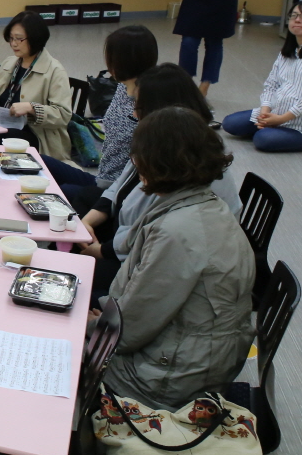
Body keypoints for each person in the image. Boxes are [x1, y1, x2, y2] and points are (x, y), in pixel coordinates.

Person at [92, 105, 255, 411]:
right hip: (192, 356)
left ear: (155, 162)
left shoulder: (177, 232)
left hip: (167, 380)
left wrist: (90, 327)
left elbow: (129, 332)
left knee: (55, 352)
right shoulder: (207, 205)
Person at [81, 63, 241, 308]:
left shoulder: (183, 164)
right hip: (137, 252)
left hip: (151, 263)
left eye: (138, 106)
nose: (134, 113)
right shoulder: (165, 142)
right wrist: (89, 226)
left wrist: (102, 317)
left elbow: (144, 301)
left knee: (75, 288)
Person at [42, 25, 159, 210]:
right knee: (40, 162)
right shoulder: (122, 86)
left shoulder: (149, 99)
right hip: (103, 178)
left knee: (60, 194)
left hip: (119, 189)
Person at [222, 0, 302, 152]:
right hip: (276, 113)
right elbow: (271, 84)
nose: (297, 20)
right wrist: (265, 111)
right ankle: (272, 129)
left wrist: (282, 119)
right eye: (294, 15)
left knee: (262, 139)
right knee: (230, 123)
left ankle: (274, 132)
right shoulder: (288, 51)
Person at [0, 11, 72, 159]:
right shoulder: (11, 62)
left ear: (36, 38)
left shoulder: (54, 71)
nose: (13, 44)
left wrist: (32, 108)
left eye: (19, 39)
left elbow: (63, 114)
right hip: (1, 122)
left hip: (34, 133)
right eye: (11, 38)